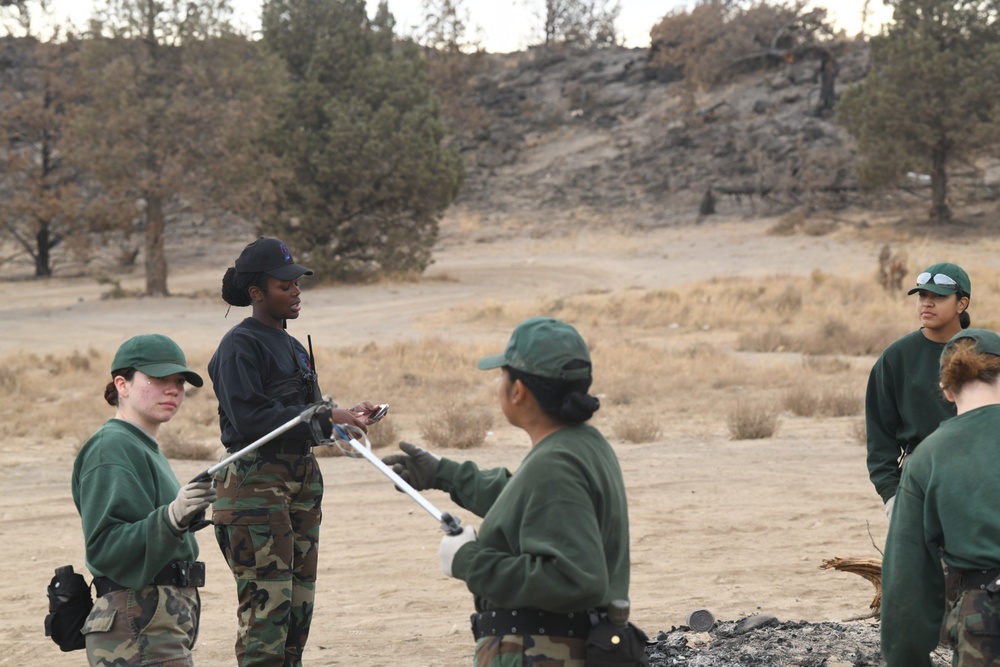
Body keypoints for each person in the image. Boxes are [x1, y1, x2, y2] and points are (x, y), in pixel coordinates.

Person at [383, 316, 644, 666]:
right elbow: (530, 500)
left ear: (518, 390)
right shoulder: (581, 444)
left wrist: (470, 560)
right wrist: (443, 473)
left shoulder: (556, 464)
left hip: (541, 652)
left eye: (502, 375)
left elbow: (576, 579)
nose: (498, 384)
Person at [209, 237, 377, 667]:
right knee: (267, 612)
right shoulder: (239, 346)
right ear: (256, 293)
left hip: (299, 482)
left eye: (298, 282)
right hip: (254, 489)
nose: (296, 290)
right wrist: (326, 417)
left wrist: (347, 416)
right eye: (285, 285)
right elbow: (250, 420)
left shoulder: (293, 346)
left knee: (297, 608)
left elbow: (307, 415)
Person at [73, 334, 216, 666]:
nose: (173, 390)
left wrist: (185, 517)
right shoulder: (112, 447)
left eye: (179, 381)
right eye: (158, 379)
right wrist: (171, 518)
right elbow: (106, 547)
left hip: (155, 620)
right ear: (121, 384)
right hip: (137, 621)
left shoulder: (140, 444)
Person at [881, 328, 1000, 665]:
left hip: (985, 619)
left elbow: (907, 581)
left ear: (947, 390)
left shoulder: (929, 456)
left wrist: (907, 658)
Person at [865, 262, 971, 521]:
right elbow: (880, 437)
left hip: (981, 477)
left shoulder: (986, 351)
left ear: (961, 304)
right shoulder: (897, 357)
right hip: (919, 479)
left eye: (939, 296)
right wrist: (891, 495)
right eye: (923, 295)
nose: (927, 303)